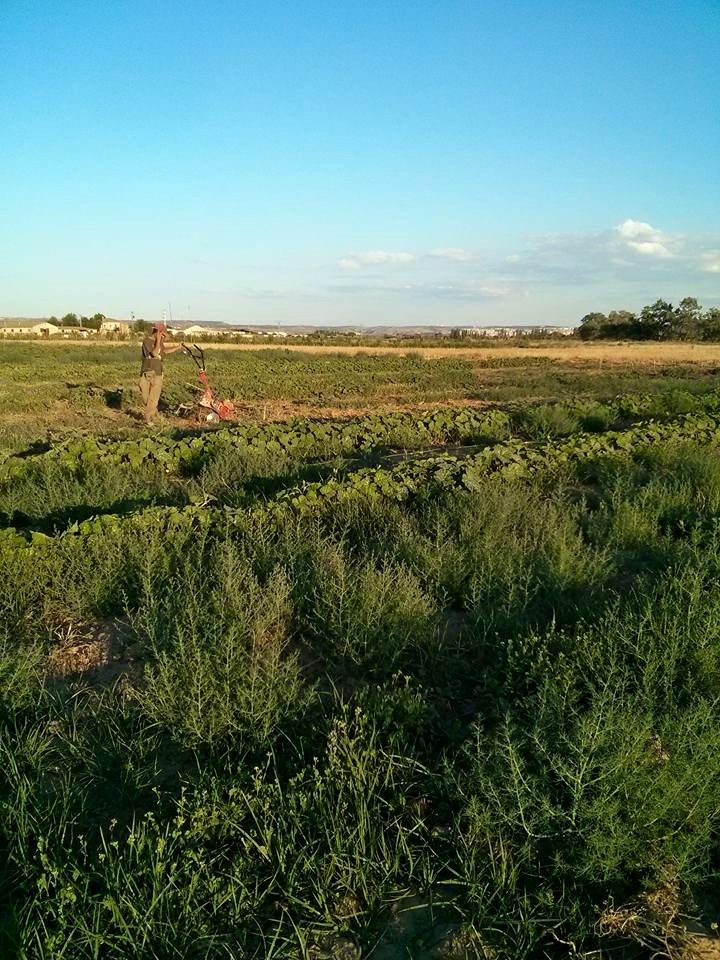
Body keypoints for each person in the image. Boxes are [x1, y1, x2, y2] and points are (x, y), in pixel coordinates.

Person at [139, 322, 186, 423]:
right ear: (158, 332)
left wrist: (177, 347)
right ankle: (153, 412)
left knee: (154, 397)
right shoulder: (147, 341)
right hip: (146, 371)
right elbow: (155, 353)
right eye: (163, 334)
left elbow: (164, 351)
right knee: (145, 395)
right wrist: (158, 340)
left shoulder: (159, 342)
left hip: (157, 372)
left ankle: (148, 418)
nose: (164, 337)